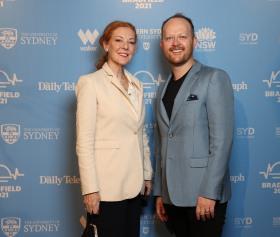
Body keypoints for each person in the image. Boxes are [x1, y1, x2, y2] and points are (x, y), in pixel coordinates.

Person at [153, 13, 234, 237]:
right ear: (162, 44)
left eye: (182, 36)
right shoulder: (161, 89)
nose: (176, 43)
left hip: (203, 196)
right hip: (171, 198)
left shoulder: (214, 78)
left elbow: (222, 141)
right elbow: (162, 144)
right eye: (169, 38)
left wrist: (209, 193)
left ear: (194, 41)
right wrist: (160, 192)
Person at [76, 21, 153, 237]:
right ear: (106, 44)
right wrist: (90, 189)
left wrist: (147, 173)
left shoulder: (137, 84)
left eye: (131, 42)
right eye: (118, 40)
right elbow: (84, 141)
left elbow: (140, 134)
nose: (125, 46)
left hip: (134, 185)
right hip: (106, 188)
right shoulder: (90, 83)